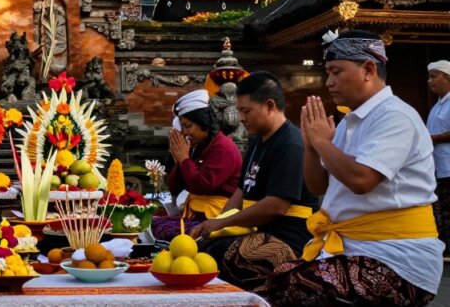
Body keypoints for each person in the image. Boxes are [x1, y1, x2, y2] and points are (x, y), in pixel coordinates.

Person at [264, 30, 444, 306]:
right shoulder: (350, 122)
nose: (329, 82)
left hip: (396, 258)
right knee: (277, 277)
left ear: (368, 69)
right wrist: (311, 149)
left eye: (336, 72)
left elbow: (361, 180)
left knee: (295, 287)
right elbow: (318, 187)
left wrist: (322, 142)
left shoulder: (394, 116)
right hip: (354, 247)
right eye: (328, 73)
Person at [190, 71, 317, 292]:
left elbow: (276, 206)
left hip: (290, 238)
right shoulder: (257, 141)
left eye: (245, 110)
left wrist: (221, 224)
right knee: (205, 246)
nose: (240, 118)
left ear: (270, 106)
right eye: (239, 110)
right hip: (260, 231)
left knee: (225, 255)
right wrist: (214, 226)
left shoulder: (290, 144)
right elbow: (241, 192)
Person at [151, 89, 242, 240]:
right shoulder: (197, 147)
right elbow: (174, 188)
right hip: (195, 214)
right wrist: (178, 160)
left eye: (188, 126)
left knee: (168, 231)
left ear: (203, 122)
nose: (185, 132)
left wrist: (185, 159)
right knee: (149, 224)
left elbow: (202, 185)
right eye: (182, 127)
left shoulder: (223, 147)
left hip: (216, 217)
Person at [426, 60, 450, 255]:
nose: (430, 81)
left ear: (447, 78)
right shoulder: (437, 106)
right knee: (442, 209)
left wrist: (430, 138)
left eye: (434, 76)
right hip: (439, 166)